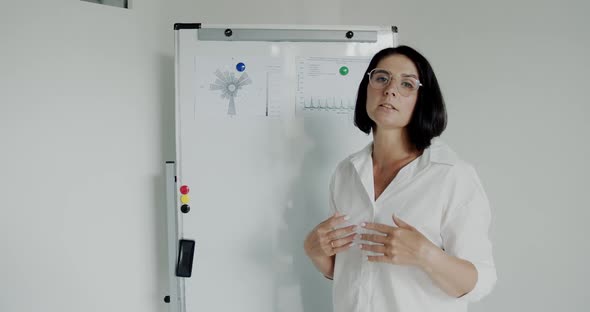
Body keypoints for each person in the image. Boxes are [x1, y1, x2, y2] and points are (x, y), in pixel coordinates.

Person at [303, 46, 497, 312]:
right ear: (367, 89)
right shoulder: (346, 173)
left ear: (422, 100)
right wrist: (317, 254)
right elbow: (354, 274)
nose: (390, 89)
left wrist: (425, 254)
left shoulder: (451, 175)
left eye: (407, 84)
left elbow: (480, 282)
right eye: (381, 78)